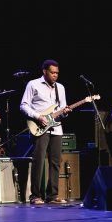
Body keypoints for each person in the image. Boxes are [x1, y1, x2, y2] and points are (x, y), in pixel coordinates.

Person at [20, 59, 71, 204]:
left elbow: (62, 108)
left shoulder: (60, 88)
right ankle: (35, 195)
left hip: (56, 128)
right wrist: (38, 116)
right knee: (39, 161)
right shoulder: (33, 84)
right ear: (44, 71)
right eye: (52, 72)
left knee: (55, 162)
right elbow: (23, 106)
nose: (55, 75)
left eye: (57, 73)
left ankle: (52, 195)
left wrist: (65, 112)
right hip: (39, 126)